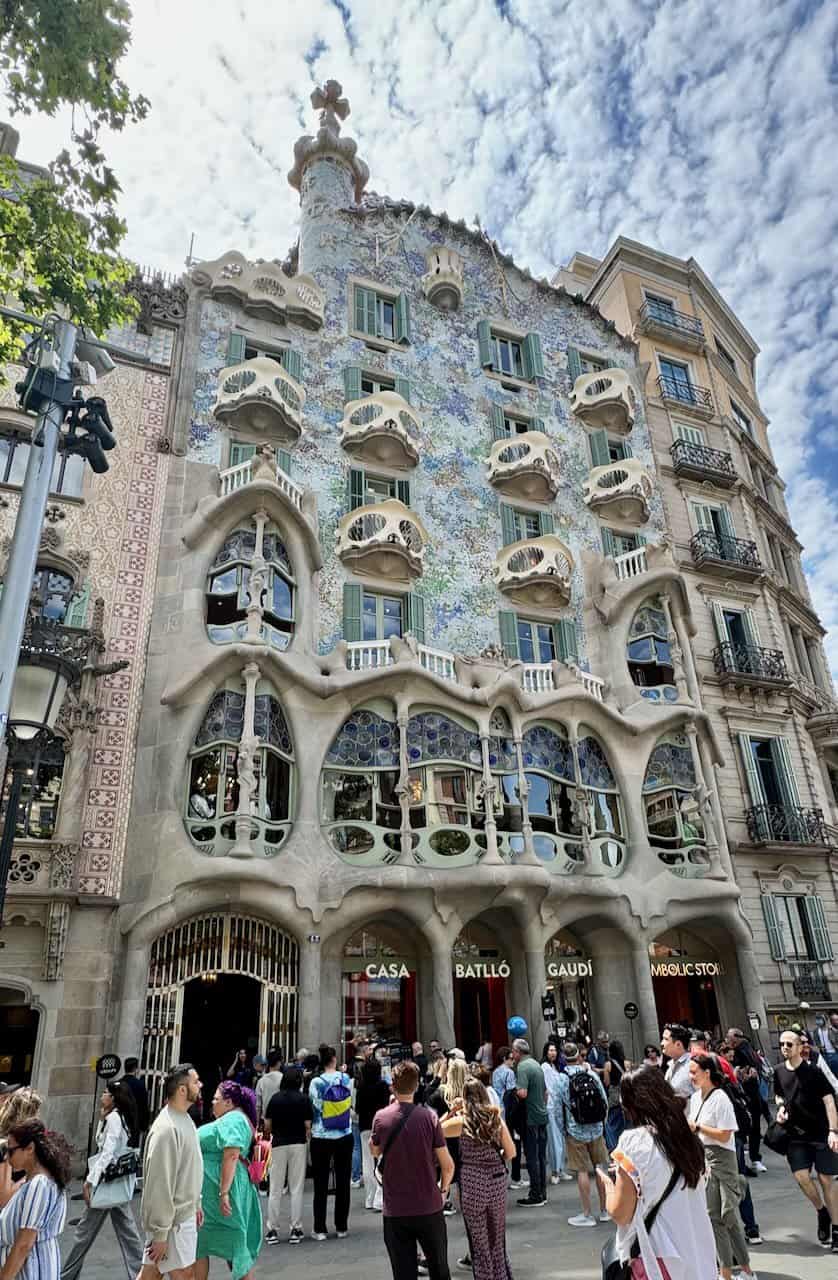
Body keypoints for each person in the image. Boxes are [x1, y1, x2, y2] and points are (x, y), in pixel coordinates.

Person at [599, 1065, 717, 1280]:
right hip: (698, 1252)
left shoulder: (634, 1143)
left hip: (659, 1257)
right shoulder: (689, 1139)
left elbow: (621, 1213)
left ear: (630, 1105)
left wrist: (608, 1187)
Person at [371, 1060, 454, 1280]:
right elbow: (447, 1165)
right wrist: (443, 1190)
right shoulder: (429, 1117)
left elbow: (375, 1150)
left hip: (396, 1208)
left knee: (403, 1273)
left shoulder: (381, 1117)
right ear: (417, 1086)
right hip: (429, 1204)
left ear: (392, 1085)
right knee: (439, 1269)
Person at [60, 1081, 144, 1280]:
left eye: (105, 1093)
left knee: (84, 1233)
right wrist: (101, 1119)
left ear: (113, 1098)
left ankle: (66, 1275)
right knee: (128, 1233)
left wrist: (90, 1181)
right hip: (116, 1184)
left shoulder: (115, 1118)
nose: (101, 1096)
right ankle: (142, 1274)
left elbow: (107, 1153)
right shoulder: (117, 1117)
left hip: (106, 1182)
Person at [687, 1054, 756, 1280]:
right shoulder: (696, 1098)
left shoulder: (721, 1098)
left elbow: (726, 1133)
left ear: (707, 1073)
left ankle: (742, 1270)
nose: (691, 1076)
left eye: (694, 1071)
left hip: (723, 1159)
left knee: (727, 1216)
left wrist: (698, 1128)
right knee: (715, 1216)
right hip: (705, 1160)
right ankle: (726, 1272)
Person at [441, 1079, 515, 1280]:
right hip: (497, 1181)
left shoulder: (462, 1122)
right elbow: (511, 1152)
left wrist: (452, 1110)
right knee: (497, 1239)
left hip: (472, 1182)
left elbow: (435, 1130)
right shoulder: (496, 1119)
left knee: (479, 1242)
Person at [774, 1027, 838, 1251]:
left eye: (789, 1044)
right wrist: (781, 1107)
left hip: (821, 1133)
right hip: (795, 1136)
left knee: (826, 1180)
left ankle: (837, 1228)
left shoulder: (814, 1072)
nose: (784, 1048)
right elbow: (779, 1094)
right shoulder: (778, 1071)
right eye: (782, 1043)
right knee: (802, 1177)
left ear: (801, 1048)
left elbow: (829, 1102)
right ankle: (822, 1211)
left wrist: (833, 1131)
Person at [138, 1063, 203, 1280]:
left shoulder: (184, 1119)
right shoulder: (167, 1129)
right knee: (184, 1274)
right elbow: (160, 1183)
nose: (200, 1085)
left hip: (181, 1216)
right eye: (195, 1081)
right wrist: (160, 1233)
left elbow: (188, 1170)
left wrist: (196, 1203)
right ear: (182, 1090)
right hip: (172, 1222)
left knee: (152, 1273)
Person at [194, 1080, 262, 1280]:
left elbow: (231, 1154)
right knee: (202, 1244)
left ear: (229, 1102)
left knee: (235, 1245)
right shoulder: (235, 1119)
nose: (212, 1103)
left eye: (216, 1099)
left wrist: (224, 1193)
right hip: (215, 1194)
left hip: (224, 1192)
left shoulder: (234, 1119)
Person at [0, 1118, 71, 1280]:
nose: (8, 1158)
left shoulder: (40, 1184)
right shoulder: (34, 1181)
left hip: (32, 1269)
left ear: (30, 1148)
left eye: (11, 1151)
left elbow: (24, 1243)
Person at [555, 1041, 609, 1227]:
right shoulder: (591, 1074)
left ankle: (587, 1214)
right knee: (600, 1168)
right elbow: (603, 1099)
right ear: (579, 1055)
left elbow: (557, 1108)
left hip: (575, 1128)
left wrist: (564, 1130)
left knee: (582, 1171)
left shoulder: (561, 1079)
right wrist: (602, 1123)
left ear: (563, 1057)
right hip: (596, 1128)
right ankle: (604, 1210)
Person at [309, 1043, 354, 1240]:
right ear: (334, 1060)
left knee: (320, 1182)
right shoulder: (345, 1079)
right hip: (344, 1133)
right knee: (343, 1180)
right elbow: (350, 1102)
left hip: (321, 1134)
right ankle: (342, 1226)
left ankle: (320, 1228)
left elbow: (315, 1106)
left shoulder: (315, 1083)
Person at [263, 1066, 312, 1245]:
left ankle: (272, 1229)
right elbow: (308, 1125)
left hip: (278, 1144)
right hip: (298, 1143)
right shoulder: (303, 1099)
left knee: (275, 1188)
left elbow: (267, 1125)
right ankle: (295, 1228)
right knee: (296, 1187)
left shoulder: (275, 1099)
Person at [512, 1037, 548, 1206]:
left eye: (513, 1051)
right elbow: (546, 1092)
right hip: (541, 1114)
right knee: (541, 1155)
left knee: (532, 1156)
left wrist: (513, 1092)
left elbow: (522, 1093)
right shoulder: (536, 1064)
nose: (512, 1054)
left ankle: (535, 1194)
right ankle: (542, 1191)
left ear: (518, 1052)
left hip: (530, 1117)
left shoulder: (523, 1067)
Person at [726, 1028, 766, 1173]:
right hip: (743, 1096)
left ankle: (754, 1159)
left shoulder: (746, 1050)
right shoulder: (740, 1052)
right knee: (745, 1127)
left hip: (750, 1093)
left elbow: (756, 1068)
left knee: (752, 1126)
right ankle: (747, 1159)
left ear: (737, 1038)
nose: (728, 1040)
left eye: (730, 1037)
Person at [356, 1057, 390, 1212]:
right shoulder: (383, 1086)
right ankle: (380, 1196)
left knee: (367, 1162)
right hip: (381, 1126)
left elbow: (357, 1109)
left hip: (364, 1126)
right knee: (382, 1160)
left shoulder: (361, 1087)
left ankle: (370, 1198)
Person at [492, 1048, 524, 1189]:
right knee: (514, 1143)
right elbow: (512, 1094)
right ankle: (516, 1177)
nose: (513, 1061)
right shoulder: (509, 1073)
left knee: (501, 1145)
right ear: (505, 1058)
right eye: (510, 1058)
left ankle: (502, 1174)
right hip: (509, 1112)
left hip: (498, 1110)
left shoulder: (495, 1072)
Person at [540, 1043, 568, 1185]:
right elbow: (548, 1088)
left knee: (560, 1138)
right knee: (554, 1139)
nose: (553, 1053)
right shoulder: (545, 1067)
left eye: (555, 1050)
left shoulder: (554, 1067)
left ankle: (561, 1168)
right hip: (550, 1106)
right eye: (550, 1050)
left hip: (558, 1105)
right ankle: (555, 1171)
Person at [119, 1058, 150, 1147]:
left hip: (118, 1122)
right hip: (134, 1123)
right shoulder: (140, 1085)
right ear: (136, 1069)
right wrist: (144, 1125)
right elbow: (144, 1106)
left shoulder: (118, 1084)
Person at [662, 1024, 694, 1106]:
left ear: (678, 1044)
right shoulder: (670, 1066)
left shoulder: (693, 1065)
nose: (662, 1043)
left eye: (666, 1039)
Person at [605, 1039, 627, 1152]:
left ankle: (615, 1147)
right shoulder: (627, 1063)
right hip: (626, 1095)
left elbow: (607, 1082)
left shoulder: (608, 1065)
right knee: (626, 1122)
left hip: (614, 1096)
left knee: (612, 1122)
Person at [255, 1049, 284, 1126]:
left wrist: (257, 1124)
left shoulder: (261, 1081)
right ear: (278, 1063)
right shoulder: (284, 1079)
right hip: (281, 1119)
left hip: (265, 1121)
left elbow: (258, 1105)